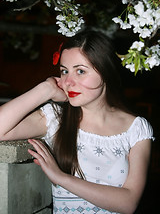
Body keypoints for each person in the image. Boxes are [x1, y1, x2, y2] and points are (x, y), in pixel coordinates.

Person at [0, 29, 154, 214]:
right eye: (64, 71)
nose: (68, 82)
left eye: (80, 71)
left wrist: (61, 178)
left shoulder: (136, 129)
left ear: (105, 71)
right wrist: (45, 89)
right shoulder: (56, 119)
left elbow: (128, 203)